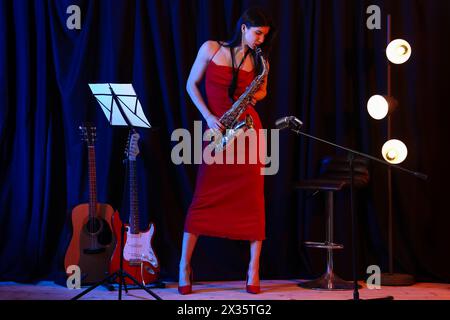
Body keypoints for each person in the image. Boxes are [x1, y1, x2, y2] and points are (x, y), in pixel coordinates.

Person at [179, 7, 275, 295]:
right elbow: (190, 84)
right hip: (217, 130)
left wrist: (252, 97)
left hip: (247, 133)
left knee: (253, 200)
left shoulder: (259, 60)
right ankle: (184, 265)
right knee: (203, 197)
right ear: (243, 27)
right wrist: (209, 117)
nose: (260, 40)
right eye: (257, 33)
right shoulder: (210, 47)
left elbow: (263, 91)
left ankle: (253, 269)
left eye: (264, 36)